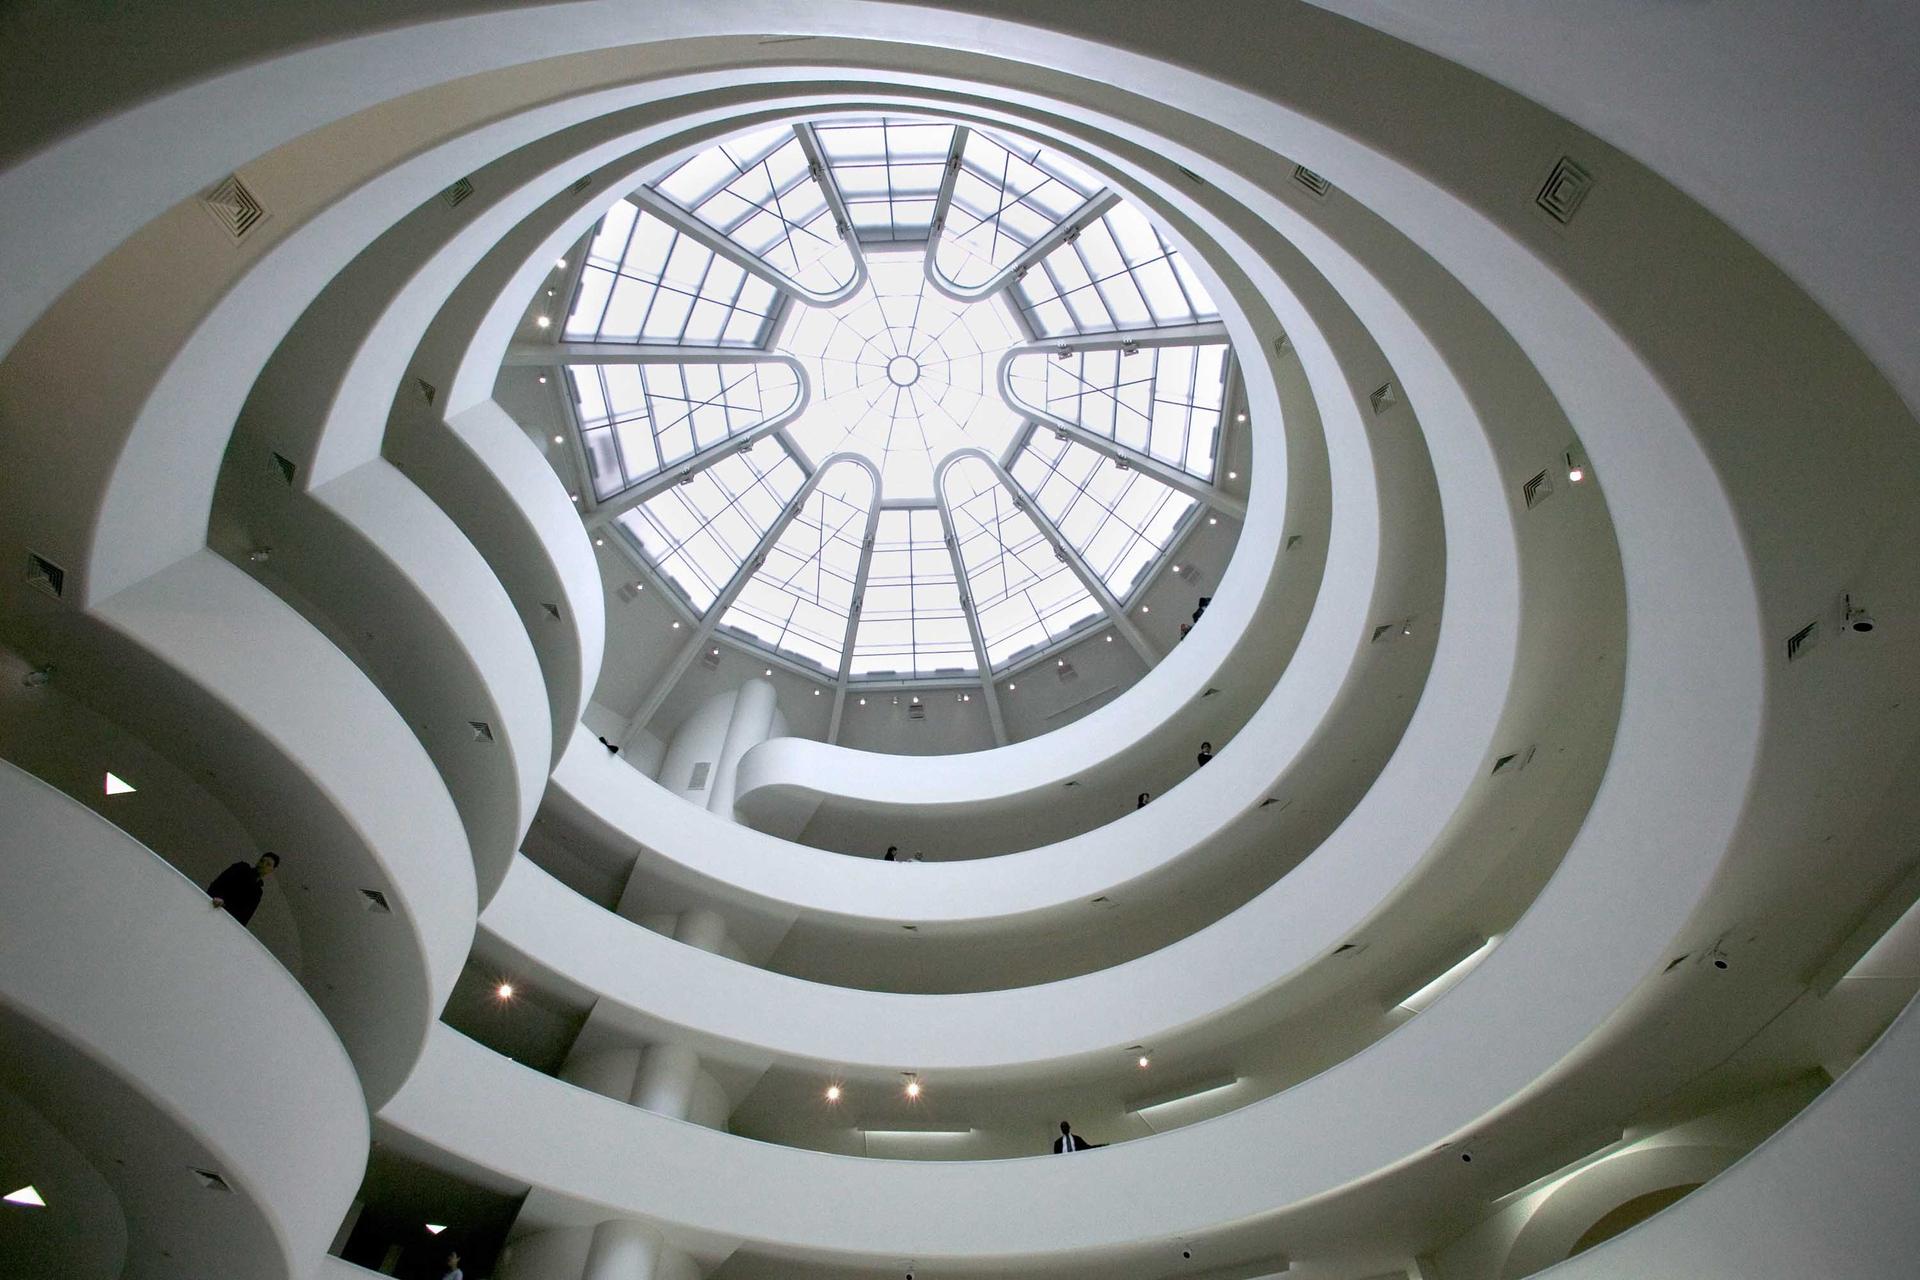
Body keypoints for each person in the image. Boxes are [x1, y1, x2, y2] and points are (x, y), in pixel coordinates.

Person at [207, 852, 280, 925]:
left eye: (268, 864)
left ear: (272, 870)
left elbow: (245, 917)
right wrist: (219, 897)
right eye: (262, 861)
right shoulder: (241, 868)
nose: (263, 865)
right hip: (212, 906)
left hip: (225, 923)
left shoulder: (258, 892)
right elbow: (218, 883)